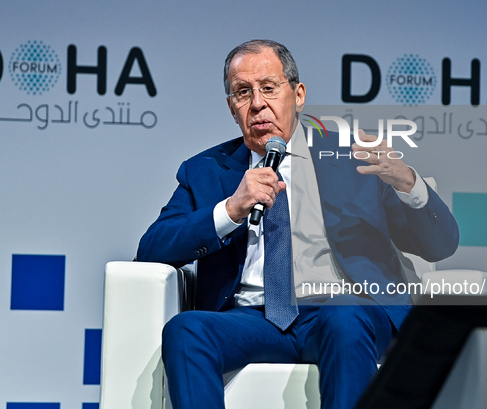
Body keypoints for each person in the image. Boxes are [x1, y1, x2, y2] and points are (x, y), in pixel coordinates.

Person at [136, 39, 459, 409]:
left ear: (298, 94)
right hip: (253, 318)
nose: (257, 103)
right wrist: (230, 209)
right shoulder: (206, 170)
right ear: (231, 107)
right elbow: (152, 249)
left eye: (269, 88)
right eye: (243, 92)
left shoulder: (355, 159)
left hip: (340, 311)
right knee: (186, 330)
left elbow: (440, 244)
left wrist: (408, 184)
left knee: (346, 314)